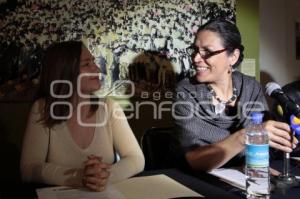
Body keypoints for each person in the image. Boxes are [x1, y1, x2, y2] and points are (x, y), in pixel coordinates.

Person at [172, 19, 298, 171]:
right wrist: (246, 136)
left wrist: (252, 164)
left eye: (207, 52)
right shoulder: (185, 93)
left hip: (242, 180)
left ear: (233, 56)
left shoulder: (251, 88)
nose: (196, 58)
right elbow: (196, 160)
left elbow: (263, 146)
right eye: (195, 50)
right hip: (194, 182)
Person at [20, 41, 145, 191]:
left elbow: (136, 158)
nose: (98, 69)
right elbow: (29, 168)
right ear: (65, 71)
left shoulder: (109, 107)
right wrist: (78, 177)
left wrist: (105, 176)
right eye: (86, 64)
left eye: (94, 62)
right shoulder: (42, 108)